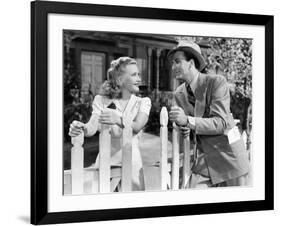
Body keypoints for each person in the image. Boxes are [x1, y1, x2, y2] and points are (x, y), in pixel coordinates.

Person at [168, 41, 250, 188]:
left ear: (191, 63)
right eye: (173, 63)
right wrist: (184, 127)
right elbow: (190, 124)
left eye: (177, 62)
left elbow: (221, 123)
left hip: (229, 156)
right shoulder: (179, 93)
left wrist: (187, 120)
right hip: (205, 158)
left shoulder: (216, 82)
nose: (173, 67)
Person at [69, 56, 151, 191]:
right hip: (106, 162)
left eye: (138, 74)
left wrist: (118, 118)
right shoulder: (101, 100)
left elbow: (137, 126)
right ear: (120, 80)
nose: (139, 79)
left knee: (132, 206)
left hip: (132, 163)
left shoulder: (142, 102)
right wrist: (81, 128)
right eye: (134, 75)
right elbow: (92, 127)